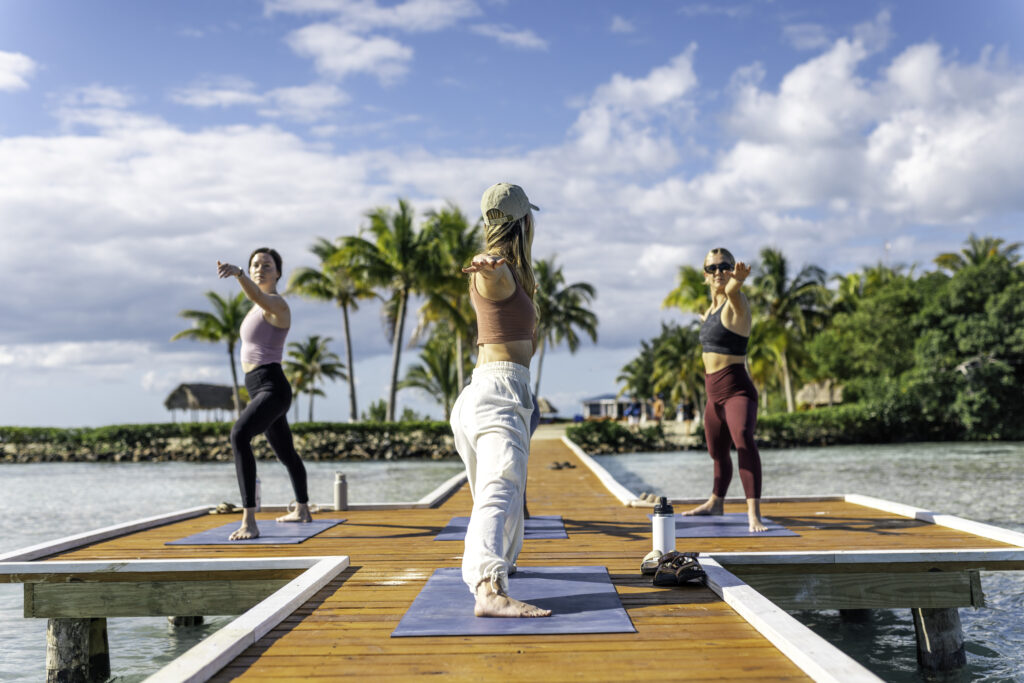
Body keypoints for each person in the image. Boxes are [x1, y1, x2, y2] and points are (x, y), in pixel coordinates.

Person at [450, 182, 551, 618]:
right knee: (501, 486)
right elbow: (487, 270)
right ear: (525, 221)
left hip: (492, 391)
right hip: (498, 393)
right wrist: (485, 265)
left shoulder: (515, 275)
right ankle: (488, 589)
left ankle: (502, 565)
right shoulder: (498, 269)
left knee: (500, 490)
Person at [216, 248, 313, 540]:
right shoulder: (255, 309)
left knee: (239, 435)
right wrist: (242, 276)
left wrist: (238, 273)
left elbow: (257, 295)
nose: (260, 269)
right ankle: (303, 509)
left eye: (267, 265)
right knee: (286, 453)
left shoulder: (277, 305)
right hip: (258, 387)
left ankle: (249, 521)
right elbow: (255, 298)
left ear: (278, 273)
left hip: (273, 387)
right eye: (255, 265)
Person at [681, 248, 767, 533]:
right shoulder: (709, 311)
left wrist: (738, 280)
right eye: (712, 268)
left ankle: (753, 514)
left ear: (731, 270)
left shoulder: (736, 304)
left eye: (724, 266)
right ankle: (716, 502)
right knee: (717, 451)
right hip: (713, 396)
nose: (718, 272)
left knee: (743, 440)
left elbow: (731, 291)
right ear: (705, 274)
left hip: (737, 391)